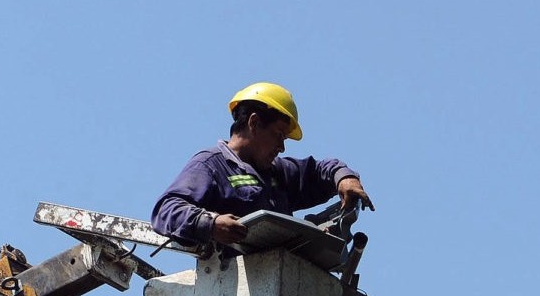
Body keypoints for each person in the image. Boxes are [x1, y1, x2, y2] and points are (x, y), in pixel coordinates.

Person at [151, 82, 373, 249]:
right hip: (230, 284)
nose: (282, 147)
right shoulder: (212, 165)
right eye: (279, 135)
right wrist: (211, 223)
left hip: (278, 281)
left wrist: (344, 177)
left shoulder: (277, 172)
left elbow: (319, 170)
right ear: (254, 123)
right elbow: (167, 210)